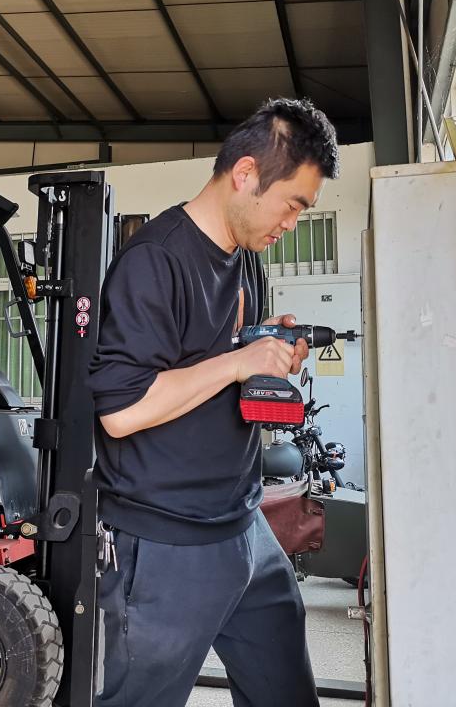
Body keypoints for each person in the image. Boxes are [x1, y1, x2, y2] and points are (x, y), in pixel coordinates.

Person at [89, 97, 340, 707]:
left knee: (286, 689)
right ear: (246, 173)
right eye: (292, 205)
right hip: (167, 540)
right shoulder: (156, 260)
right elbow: (121, 412)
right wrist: (238, 362)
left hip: (242, 522)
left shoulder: (245, 260)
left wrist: (264, 350)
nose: (292, 223)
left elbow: (219, 357)